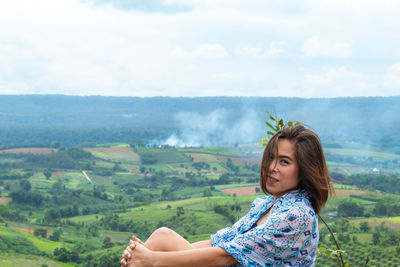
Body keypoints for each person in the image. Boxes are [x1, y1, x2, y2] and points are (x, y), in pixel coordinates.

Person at [120, 125, 333, 266]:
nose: (272, 167)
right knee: (162, 237)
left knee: (157, 246)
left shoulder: (297, 215)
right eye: (271, 158)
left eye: (284, 162)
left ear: (305, 169)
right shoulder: (266, 205)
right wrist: (147, 256)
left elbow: (224, 255)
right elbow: (218, 244)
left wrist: (153, 260)